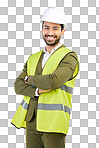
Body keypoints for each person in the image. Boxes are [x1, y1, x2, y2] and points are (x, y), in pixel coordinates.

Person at [12, 7, 79, 148]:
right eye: (46, 28)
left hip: (54, 123)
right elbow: (18, 86)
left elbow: (53, 81)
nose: (50, 33)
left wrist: (30, 79)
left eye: (55, 28)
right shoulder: (33, 58)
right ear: (42, 30)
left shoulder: (69, 56)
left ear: (62, 31)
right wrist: (37, 91)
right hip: (31, 120)